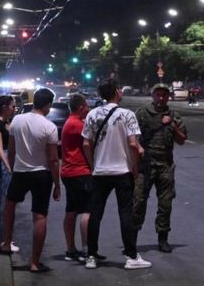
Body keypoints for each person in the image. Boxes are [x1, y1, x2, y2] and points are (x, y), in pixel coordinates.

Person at [81, 78, 151, 270]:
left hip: (100, 171)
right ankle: (131, 256)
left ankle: (91, 256)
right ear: (117, 92)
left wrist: (93, 164)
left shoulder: (92, 114)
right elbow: (133, 144)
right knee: (125, 214)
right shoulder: (127, 114)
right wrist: (134, 167)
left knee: (95, 214)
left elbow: (86, 144)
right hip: (122, 171)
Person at [0, 88, 60, 273]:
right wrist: (57, 185)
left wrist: (11, 168)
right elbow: (53, 159)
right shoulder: (49, 127)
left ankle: (7, 243)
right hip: (42, 174)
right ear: (48, 105)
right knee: (40, 216)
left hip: (20, 171)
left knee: (10, 206)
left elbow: (12, 148)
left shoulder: (17, 120)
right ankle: (34, 262)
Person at [134, 83, 187, 253]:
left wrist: (172, 125)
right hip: (145, 165)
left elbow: (181, 140)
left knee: (165, 204)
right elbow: (132, 136)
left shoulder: (173, 115)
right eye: (158, 94)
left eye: (164, 95)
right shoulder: (142, 113)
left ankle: (163, 237)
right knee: (138, 201)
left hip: (165, 165)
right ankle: (132, 237)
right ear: (153, 95)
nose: (161, 98)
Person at [61, 94, 96, 262]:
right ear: (80, 107)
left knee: (71, 211)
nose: (88, 109)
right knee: (87, 211)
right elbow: (91, 140)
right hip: (80, 172)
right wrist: (93, 167)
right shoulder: (77, 124)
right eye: (87, 106)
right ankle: (87, 250)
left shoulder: (70, 122)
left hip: (69, 172)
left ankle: (71, 249)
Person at [0, 96, 20, 253]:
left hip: (9, 160)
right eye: (13, 107)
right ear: (5, 107)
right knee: (4, 201)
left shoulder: (7, 123)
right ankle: (2, 239)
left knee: (8, 201)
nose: (15, 109)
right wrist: (8, 166)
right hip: (3, 162)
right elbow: (0, 148)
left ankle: (5, 238)